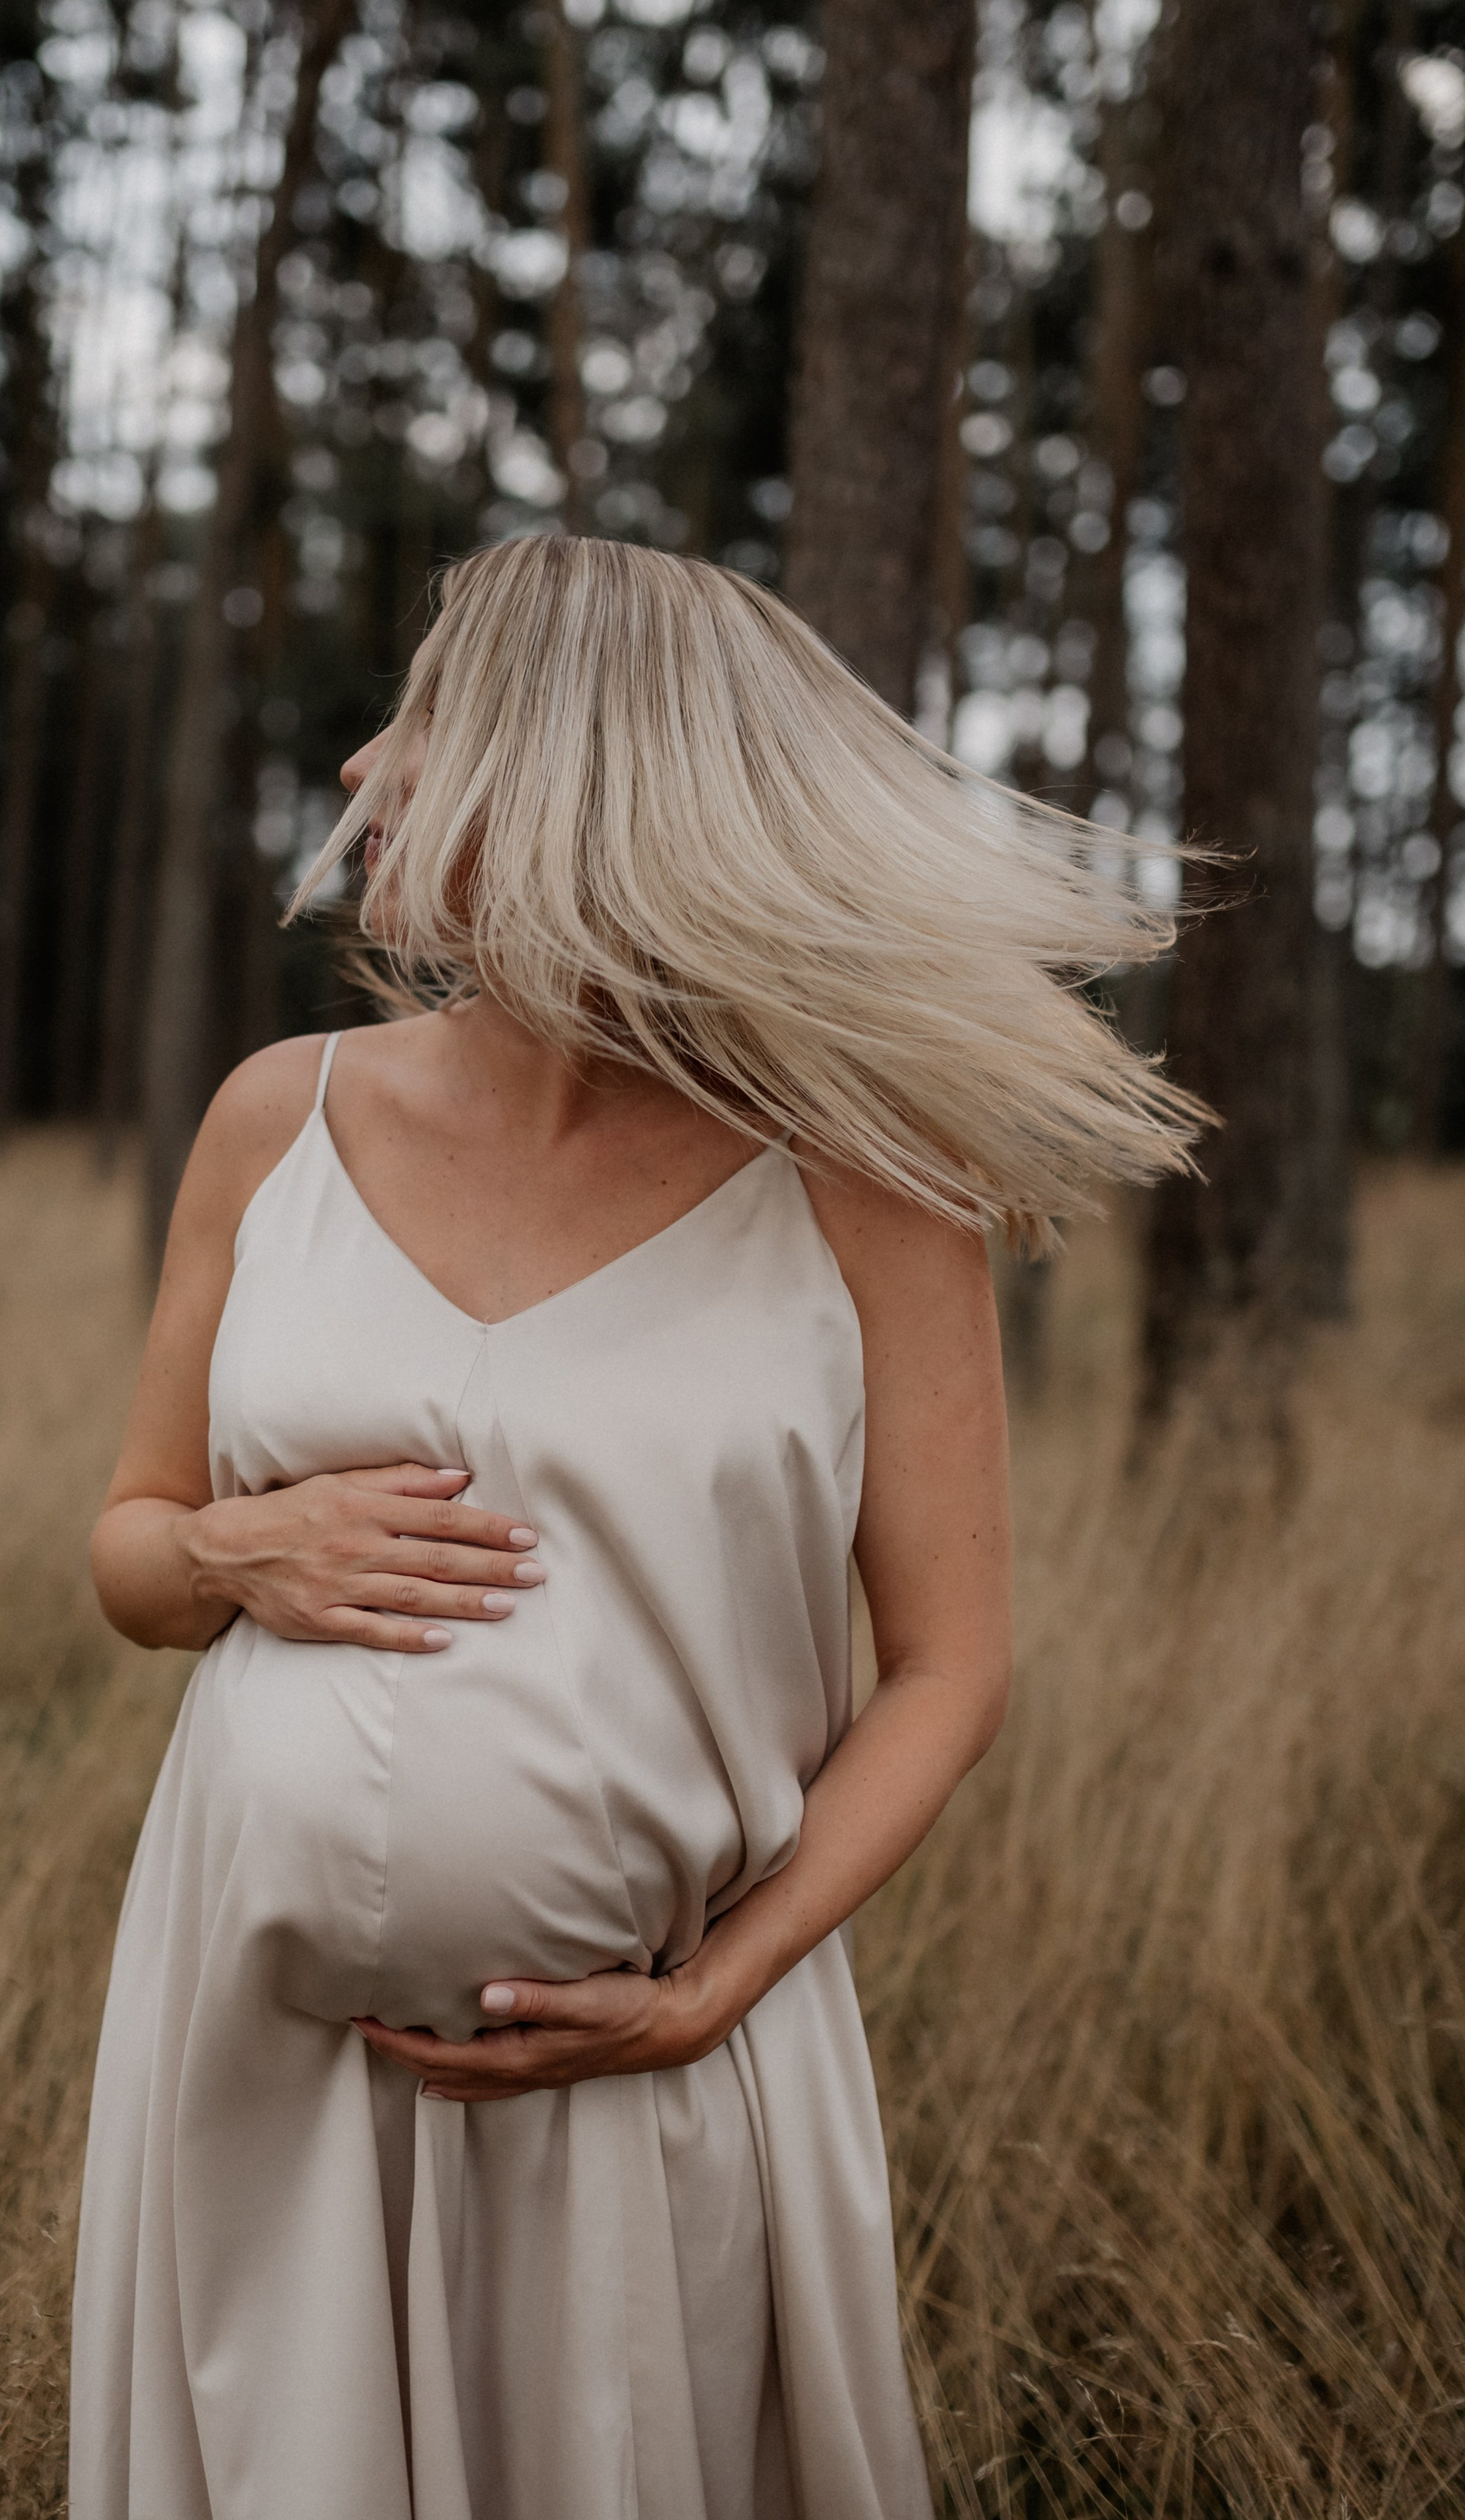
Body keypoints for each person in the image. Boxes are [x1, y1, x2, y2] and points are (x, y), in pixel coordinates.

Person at [71, 535, 1203, 2520]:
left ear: (560, 769)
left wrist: (718, 1986)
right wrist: (234, 1557)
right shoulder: (280, 1117)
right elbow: (132, 1549)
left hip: (646, 2080)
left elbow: (952, 1668)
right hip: (259, 2067)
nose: (360, 768)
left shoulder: (866, 1175)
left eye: (420, 722)